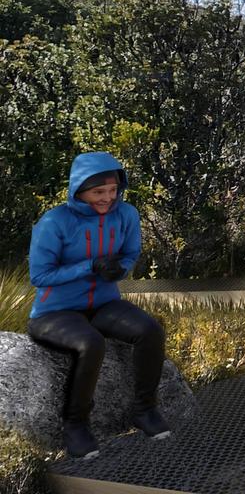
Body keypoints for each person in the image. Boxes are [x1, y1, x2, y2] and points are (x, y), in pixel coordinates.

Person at [27, 151, 171, 460]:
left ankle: (145, 410)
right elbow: (39, 276)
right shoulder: (54, 222)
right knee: (90, 343)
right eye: (98, 192)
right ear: (78, 190)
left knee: (151, 330)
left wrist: (119, 269)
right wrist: (90, 266)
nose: (107, 198)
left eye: (112, 190)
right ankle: (75, 425)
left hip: (104, 304)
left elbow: (131, 253)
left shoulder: (127, 215)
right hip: (54, 313)